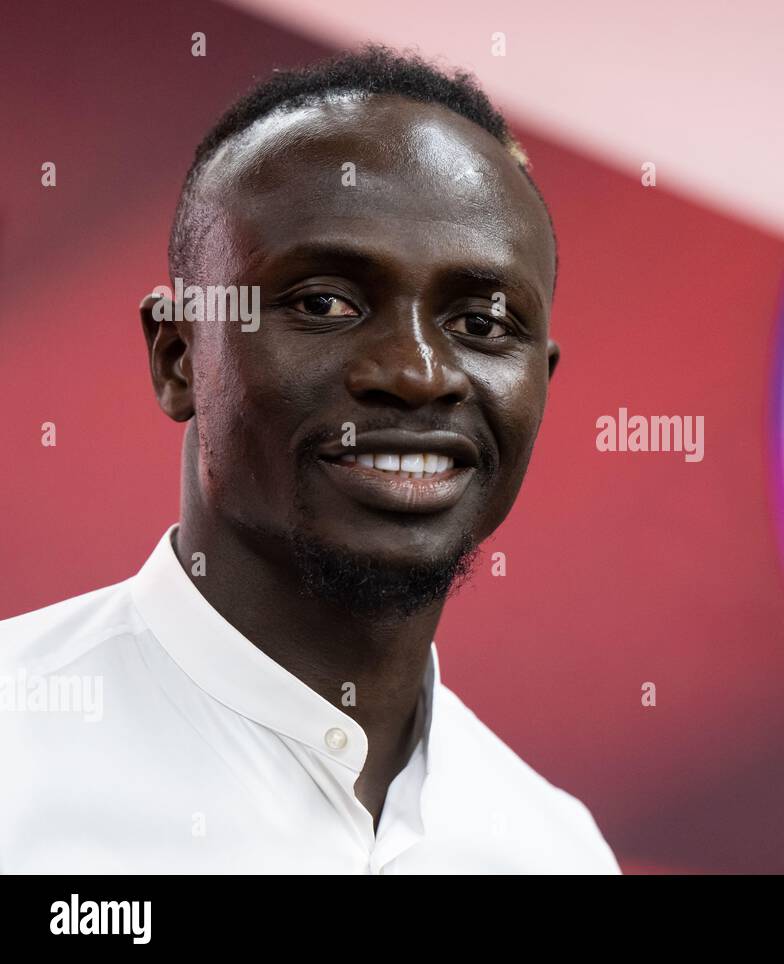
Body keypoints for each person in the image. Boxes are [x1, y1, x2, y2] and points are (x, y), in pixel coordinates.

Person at [0, 46, 620, 874]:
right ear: (179, 355)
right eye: (325, 302)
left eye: (480, 324)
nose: (417, 373)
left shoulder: (555, 850)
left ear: (538, 386)